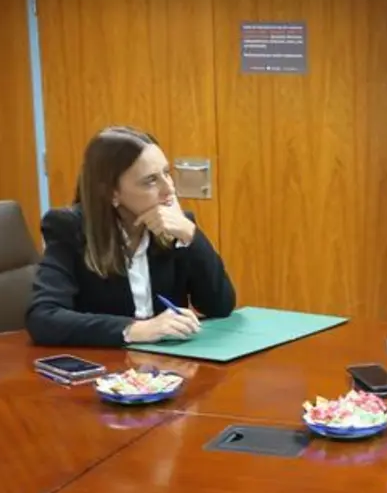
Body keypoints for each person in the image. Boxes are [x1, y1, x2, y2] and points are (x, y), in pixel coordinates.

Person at [26, 125, 236, 347]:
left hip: (168, 362)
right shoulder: (69, 228)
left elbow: (220, 306)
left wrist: (190, 235)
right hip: (107, 362)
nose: (169, 189)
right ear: (111, 192)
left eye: (167, 173)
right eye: (151, 180)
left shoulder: (174, 226)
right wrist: (135, 329)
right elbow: (43, 318)